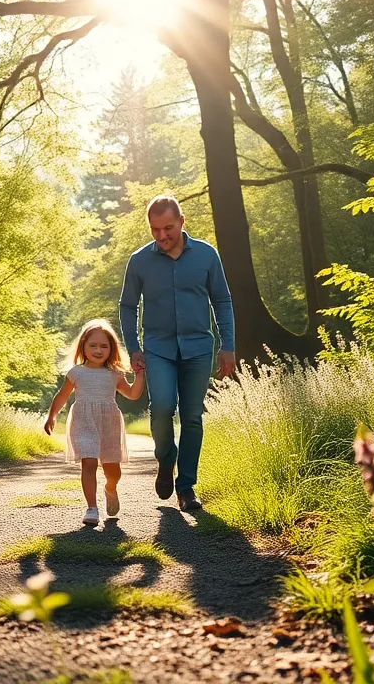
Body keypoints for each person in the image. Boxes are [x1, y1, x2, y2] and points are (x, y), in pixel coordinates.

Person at [118, 195, 236, 511]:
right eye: (155, 229)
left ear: (182, 222)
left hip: (199, 348)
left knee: (192, 416)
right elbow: (127, 306)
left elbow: (222, 301)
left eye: (167, 228)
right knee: (161, 408)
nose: (161, 236)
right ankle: (165, 459)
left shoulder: (207, 256)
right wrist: (133, 348)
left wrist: (228, 345)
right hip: (157, 349)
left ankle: (186, 488)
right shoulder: (140, 260)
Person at [43, 319, 145, 526]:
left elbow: (133, 394)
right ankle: (91, 507)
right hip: (83, 421)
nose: (98, 350)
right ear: (83, 347)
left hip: (109, 423)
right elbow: (62, 396)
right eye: (93, 345)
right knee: (88, 462)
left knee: (113, 471)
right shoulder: (76, 373)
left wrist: (140, 375)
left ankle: (110, 488)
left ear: (111, 349)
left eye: (104, 346)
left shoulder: (115, 373)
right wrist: (51, 416)